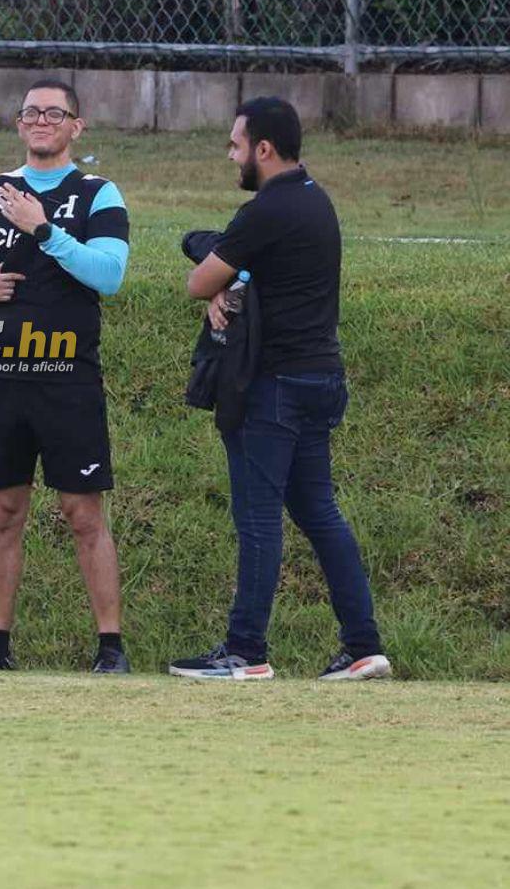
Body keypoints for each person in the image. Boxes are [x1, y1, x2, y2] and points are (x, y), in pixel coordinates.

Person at [169, 96, 392, 681]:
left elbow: (199, 278)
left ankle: (246, 651)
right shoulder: (316, 201)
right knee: (320, 512)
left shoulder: (266, 211)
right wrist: (228, 272)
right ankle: (363, 645)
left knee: (259, 518)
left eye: (236, 145)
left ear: (263, 149)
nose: (231, 155)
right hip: (321, 376)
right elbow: (220, 251)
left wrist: (219, 279)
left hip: (272, 388)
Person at [0, 79, 131, 672]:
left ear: (77, 126)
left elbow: (109, 276)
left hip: (66, 374)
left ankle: (110, 648)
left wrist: (43, 228)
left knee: (83, 511)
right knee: (2, 510)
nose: (42, 120)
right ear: (20, 124)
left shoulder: (97, 192)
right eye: (31, 112)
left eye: (55, 112)